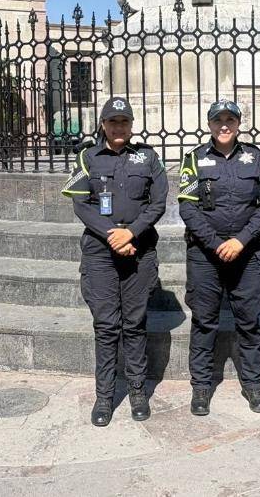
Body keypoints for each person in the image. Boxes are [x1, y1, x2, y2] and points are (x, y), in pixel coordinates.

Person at [61, 96, 168, 427]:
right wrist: (113, 235)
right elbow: (81, 205)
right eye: (112, 121)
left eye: (124, 121)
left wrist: (131, 234)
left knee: (134, 324)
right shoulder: (87, 157)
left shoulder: (148, 158)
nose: (118, 127)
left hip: (139, 252)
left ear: (131, 125)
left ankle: (137, 391)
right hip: (100, 255)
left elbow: (158, 203)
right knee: (106, 326)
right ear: (103, 125)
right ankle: (105, 396)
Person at [178, 99, 260, 416]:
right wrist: (217, 243)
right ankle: (202, 389)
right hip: (205, 256)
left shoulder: (255, 157)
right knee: (204, 323)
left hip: (246, 256)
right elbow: (187, 208)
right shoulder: (193, 159)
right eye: (218, 120)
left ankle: (253, 384)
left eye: (230, 120)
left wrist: (240, 240)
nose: (224, 125)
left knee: (249, 323)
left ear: (238, 124)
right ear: (209, 124)